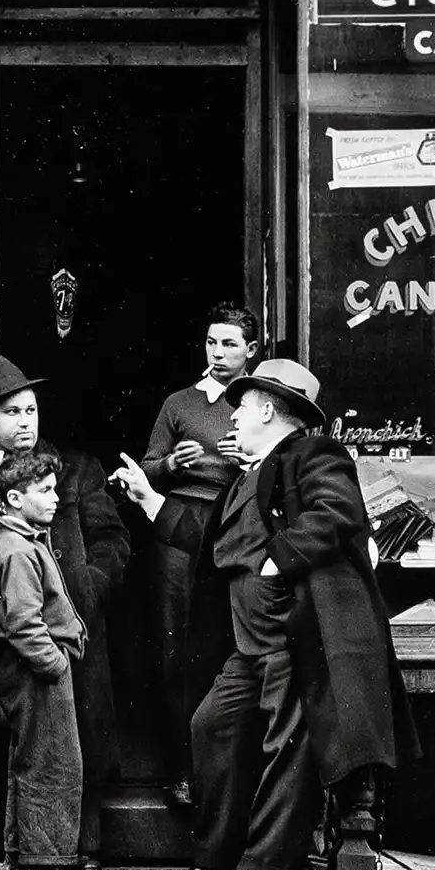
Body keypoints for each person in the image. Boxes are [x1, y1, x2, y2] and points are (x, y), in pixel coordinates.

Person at [112, 359, 419, 870]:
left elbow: (339, 512)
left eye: (244, 406)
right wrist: (148, 499)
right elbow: (210, 540)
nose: (233, 417)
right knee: (212, 726)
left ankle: (265, 869)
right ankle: (214, 859)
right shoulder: (247, 476)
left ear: (271, 411)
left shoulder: (313, 454)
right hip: (249, 645)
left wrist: (279, 559)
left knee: (288, 747)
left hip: (295, 639)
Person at [0, 357, 130, 870]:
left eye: (31, 410)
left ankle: (76, 849)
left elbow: (113, 541)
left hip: (53, 631)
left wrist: (82, 589)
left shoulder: (75, 468)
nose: (26, 421)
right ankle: (2, 853)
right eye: (12, 412)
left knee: (68, 739)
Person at [141, 303, 261, 808]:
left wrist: (247, 460)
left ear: (251, 349)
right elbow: (146, 468)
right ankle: (181, 771)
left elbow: (280, 463)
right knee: (176, 644)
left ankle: (227, 775)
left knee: (228, 643)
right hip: (178, 528)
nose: (218, 353)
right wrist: (171, 462)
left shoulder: (259, 405)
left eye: (229, 344)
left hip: (234, 524)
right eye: (212, 342)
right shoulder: (180, 403)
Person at [0, 449, 95, 870]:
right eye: (44, 491)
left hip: (32, 669)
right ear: (14, 499)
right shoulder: (16, 550)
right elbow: (25, 624)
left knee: (33, 761)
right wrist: (55, 664)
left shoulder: (24, 542)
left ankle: (19, 865)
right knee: (53, 766)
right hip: (36, 672)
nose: (55, 498)